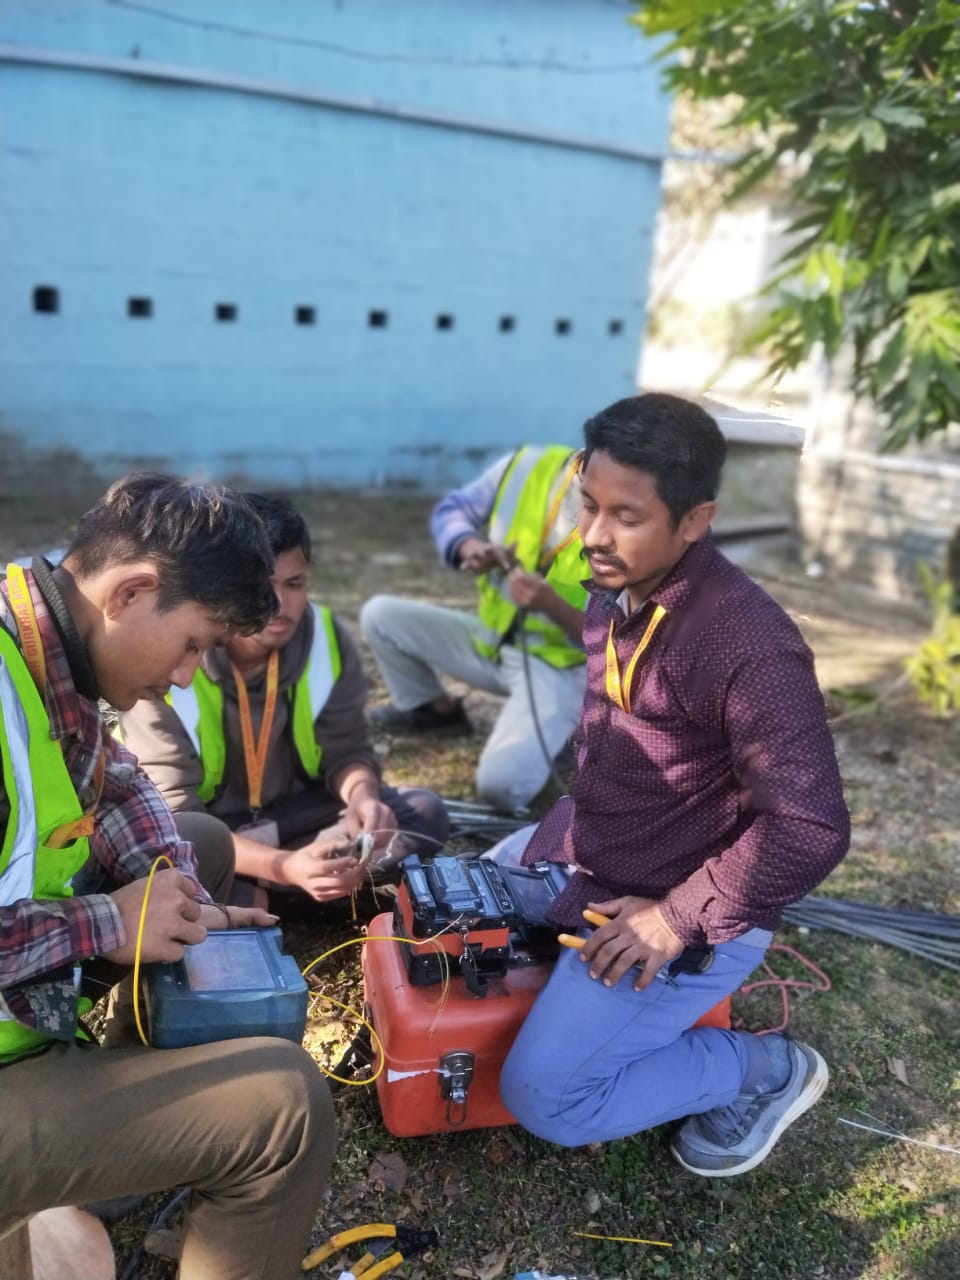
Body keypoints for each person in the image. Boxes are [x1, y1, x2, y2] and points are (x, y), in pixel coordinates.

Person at [497, 394, 850, 1176]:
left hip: (677, 903)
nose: (592, 535)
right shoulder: (615, 588)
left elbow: (812, 826)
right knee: (461, 902)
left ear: (694, 520)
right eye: (587, 504)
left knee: (543, 1098)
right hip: (592, 851)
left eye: (626, 514)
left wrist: (675, 919)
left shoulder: (746, 644)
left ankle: (764, 1072)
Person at [0, 474, 336, 1280]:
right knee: (286, 1108)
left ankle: (105, 1137)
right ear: (132, 591)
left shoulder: (39, 632)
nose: (188, 677)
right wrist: (113, 924)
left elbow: (117, 780)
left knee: (200, 844)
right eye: (193, 643)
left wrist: (175, 892)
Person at [118, 493, 449, 911]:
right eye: (264, 586)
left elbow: (346, 752)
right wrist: (285, 866)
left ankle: (263, 898)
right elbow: (174, 819)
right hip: (213, 834)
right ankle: (298, 891)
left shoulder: (325, 638)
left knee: (424, 811)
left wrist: (363, 798)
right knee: (171, 857)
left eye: (295, 584)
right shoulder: (170, 654)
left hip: (296, 820)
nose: (279, 604)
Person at [361, 444, 588, 813]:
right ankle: (435, 712)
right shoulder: (529, 464)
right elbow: (454, 511)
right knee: (380, 615)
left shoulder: (636, 516)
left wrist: (550, 604)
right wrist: (469, 547)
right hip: (493, 643)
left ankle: (564, 736)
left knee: (501, 788)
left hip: (561, 669)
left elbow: (613, 638)